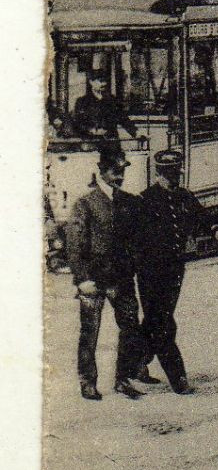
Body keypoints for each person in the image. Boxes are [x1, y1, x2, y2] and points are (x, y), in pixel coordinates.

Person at [134, 149, 218, 394]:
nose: (173, 177)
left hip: (174, 269)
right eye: (168, 173)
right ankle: (178, 378)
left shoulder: (185, 197)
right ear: (158, 173)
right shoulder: (146, 200)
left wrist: (216, 230)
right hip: (150, 271)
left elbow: (202, 216)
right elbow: (135, 238)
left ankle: (136, 363)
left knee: (155, 320)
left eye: (175, 172)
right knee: (164, 323)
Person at [65, 145, 147, 400]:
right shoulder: (85, 204)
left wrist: (133, 265)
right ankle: (88, 382)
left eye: (122, 171)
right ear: (101, 171)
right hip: (94, 280)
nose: (119, 176)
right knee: (90, 332)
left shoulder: (129, 202)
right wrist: (82, 279)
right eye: (114, 171)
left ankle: (123, 379)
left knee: (130, 327)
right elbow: (74, 244)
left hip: (122, 279)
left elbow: (136, 240)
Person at [70, 74, 137, 141]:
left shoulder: (112, 100)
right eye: (100, 81)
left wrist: (135, 132)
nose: (104, 84)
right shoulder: (82, 101)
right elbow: (76, 123)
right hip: (90, 142)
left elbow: (123, 119)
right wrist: (92, 130)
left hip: (111, 142)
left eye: (105, 81)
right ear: (91, 82)